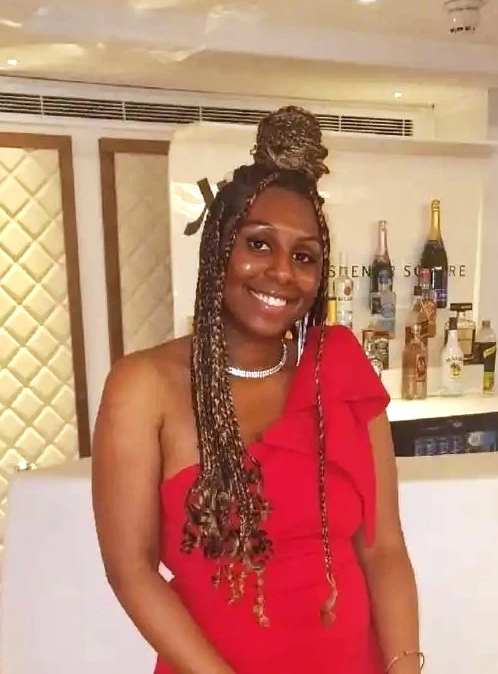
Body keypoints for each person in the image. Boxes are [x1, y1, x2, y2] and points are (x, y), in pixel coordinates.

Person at [91, 106, 422, 673]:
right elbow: (132, 570)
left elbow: (383, 546)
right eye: (259, 244)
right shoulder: (145, 386)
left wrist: (406, 666)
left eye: (304, 257)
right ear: (219, 247)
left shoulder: (337, 368)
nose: (281, 273)